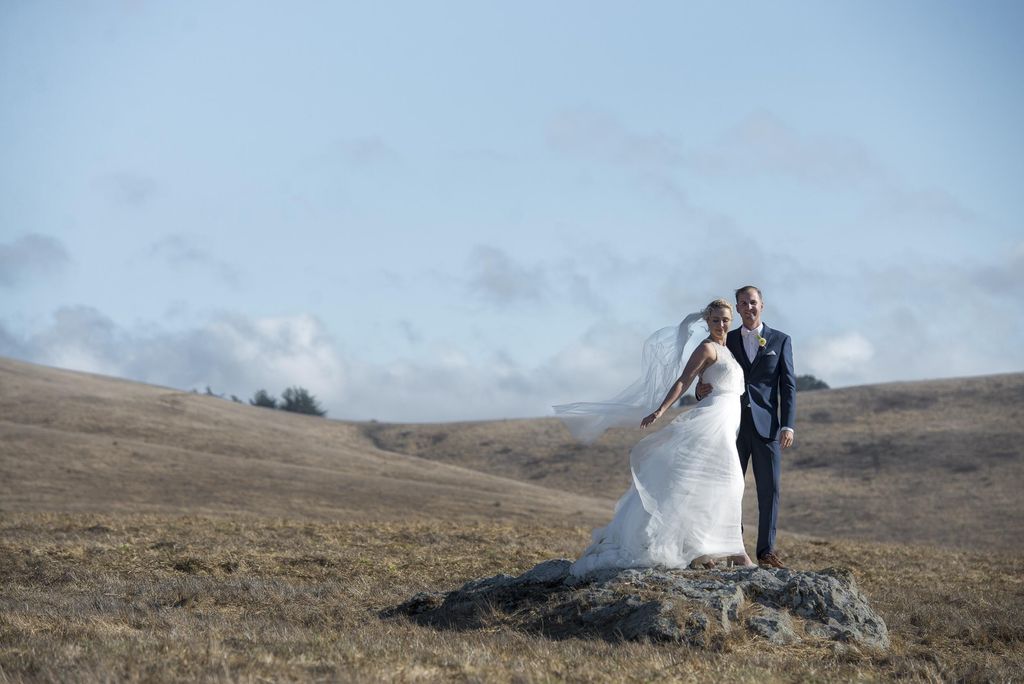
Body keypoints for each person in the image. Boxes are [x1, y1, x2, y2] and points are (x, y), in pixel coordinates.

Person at [554, 299, 754, 576]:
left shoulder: (726, 350)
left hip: (726, 423)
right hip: (710, 421)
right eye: (716, 320)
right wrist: (660, 410)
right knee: (729, 481)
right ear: (707, 322)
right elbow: (684, 380)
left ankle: (702, 548)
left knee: (712, 484)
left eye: (726, 320)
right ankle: (737, 552)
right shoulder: (707, 348)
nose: (722, 325)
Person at [695, 286, 795, 569]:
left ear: (762, 305)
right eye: (743, 303)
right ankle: (732, 548)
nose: (748, 307)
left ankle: (766, 552)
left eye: (753, 302)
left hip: (768, 429)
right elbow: (709, 373)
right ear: (737, 309)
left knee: (770, 489)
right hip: (733, 427)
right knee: (729, 488)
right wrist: (700, 392)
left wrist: (788, 425)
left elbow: (787, 387)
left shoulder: (781, 340)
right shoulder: (727, 340)